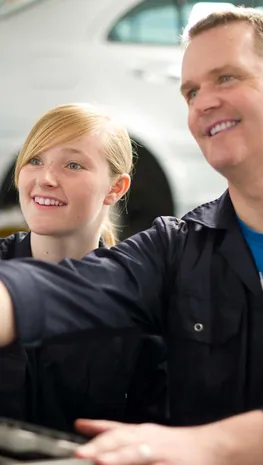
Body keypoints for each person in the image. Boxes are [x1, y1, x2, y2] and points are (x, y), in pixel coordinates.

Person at [0, 6, 263, 464]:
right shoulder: (175, 246)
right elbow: (64, 289)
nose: (202, 102)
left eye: (227, 79)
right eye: (191, 91)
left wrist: (212, 445)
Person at [0, 103, 167, 431]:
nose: (45, 178)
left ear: (116, 188)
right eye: (35, 160)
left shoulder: (137, 300)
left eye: (73, 165)